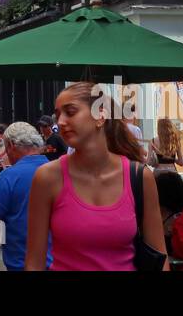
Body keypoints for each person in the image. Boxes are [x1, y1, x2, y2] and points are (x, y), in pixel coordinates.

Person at [25, 82, 167, 271]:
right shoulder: (47, 177)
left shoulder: (139, 177)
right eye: (58, 114)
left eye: (71, 112)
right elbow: (34, 262)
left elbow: (159, 256)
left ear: (100, 116)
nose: (60, 121)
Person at [0, 121, 50, 270]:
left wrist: (2, 240)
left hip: (21, 262)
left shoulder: (9, 176)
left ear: (12, 146)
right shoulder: (58, 171)